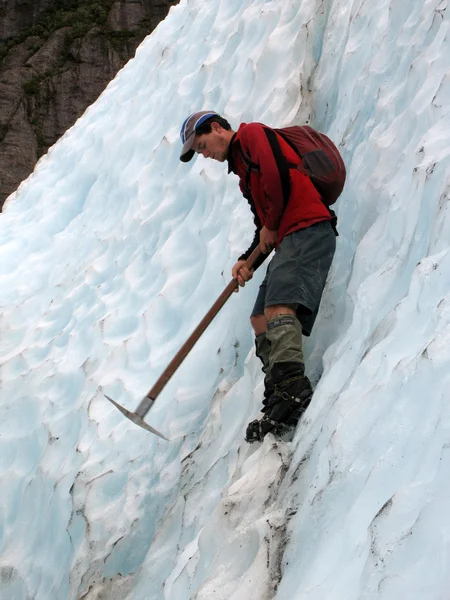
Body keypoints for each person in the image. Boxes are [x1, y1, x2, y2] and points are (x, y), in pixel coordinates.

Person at [179, 110, 336, 442]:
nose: (204, 154)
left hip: (307, 228)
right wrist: (246, 260)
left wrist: (272, 224)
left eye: (202, 145)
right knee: (259, 318)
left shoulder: (252, 136)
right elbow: (264, 230)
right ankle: (278, 391)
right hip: (289, 237)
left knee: (279, 307)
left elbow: (279, 177)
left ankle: (294, 387)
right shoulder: (244, 175)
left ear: (218, 128)